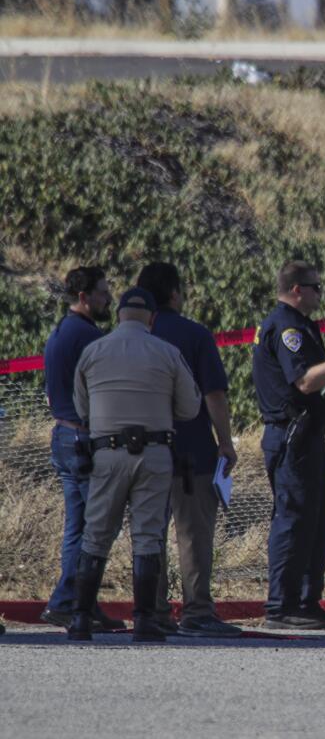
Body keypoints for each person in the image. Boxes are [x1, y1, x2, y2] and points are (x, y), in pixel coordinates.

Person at [69, 287, 202, 642]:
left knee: (96, 534)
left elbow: (82, 409)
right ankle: (144, 620)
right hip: (155, 453)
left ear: (118, 316)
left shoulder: (94, 351)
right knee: (147, 536)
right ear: (152, 318)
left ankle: (80, 618)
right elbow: (190, 408)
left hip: (107, 453)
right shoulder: (168, 352)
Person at [252, 261, 325, 630]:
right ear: (298, 289)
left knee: (318, 522)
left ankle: (305, 601)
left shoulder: (300, 325)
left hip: (308, 435)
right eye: (316, 287)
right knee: (294, 520)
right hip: (291, 437)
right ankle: (281, 606)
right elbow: (302, 381)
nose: (321, 294)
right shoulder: (287, 327)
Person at [136, 262, 242, 638]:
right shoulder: (195, 335)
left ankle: (155, 609)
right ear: (175, 293)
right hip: (192, 449)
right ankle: (197, 609)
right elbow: (214, 393)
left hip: (143, 450)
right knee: (193, 533)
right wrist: (225, 442)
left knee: (151, 533)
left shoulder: (131, 338)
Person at [40, 266, 125, 633]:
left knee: (78, 526)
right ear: (84, 297)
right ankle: (71, 602)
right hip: (83, 439)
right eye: (104, 292)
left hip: (62, 435)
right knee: (98, 527)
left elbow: (48, 391)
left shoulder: (61, 332)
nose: (109, 298)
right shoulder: (89, 337)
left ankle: (75, 602)